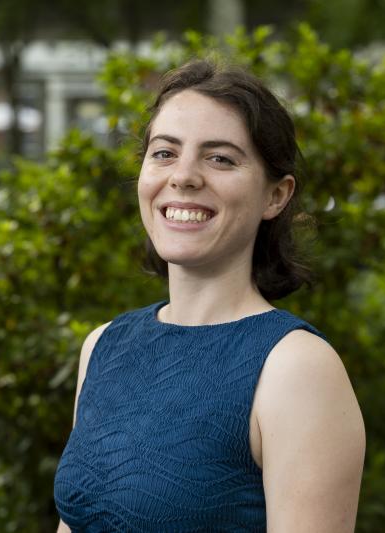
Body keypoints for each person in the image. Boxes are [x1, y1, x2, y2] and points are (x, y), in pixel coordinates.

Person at [53, 59, 365, 532]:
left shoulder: (296, 369)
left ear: (275, 196)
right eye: (164, 153)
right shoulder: (103, 346)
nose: (184, 176)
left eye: (219, 158)